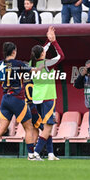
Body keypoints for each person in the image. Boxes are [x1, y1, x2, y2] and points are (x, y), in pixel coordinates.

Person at [0, 42, 36, 160]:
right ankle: (31, 155)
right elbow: (32, 71)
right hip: (17, 99)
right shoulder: (18, 63)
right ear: (14, 51)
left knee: (2, 128)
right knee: (29, 127)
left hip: (5, 98)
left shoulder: (0, 64)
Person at [30, 26, 64, 160]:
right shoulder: (46, 64)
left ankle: (50, 154)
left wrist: (48, 41)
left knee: (45, 127)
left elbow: (41, 51)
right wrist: (54, 41)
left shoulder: (31, 63)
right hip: (48, 97)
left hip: (36, 97)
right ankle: (36, 153)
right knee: (48, 126)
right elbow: (61, 56)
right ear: (42, 54)